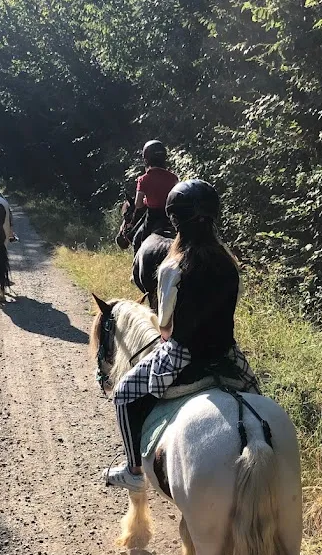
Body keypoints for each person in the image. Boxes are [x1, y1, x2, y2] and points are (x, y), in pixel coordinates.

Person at [107, 180, 260, 491]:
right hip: (226, 353)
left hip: (181, 355)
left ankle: (134, 469)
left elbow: (164, 326)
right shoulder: (230, 263)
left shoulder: (172, 267)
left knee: (123, 394)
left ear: (175, 221)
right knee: (258, 396)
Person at [127, 140, 179, 253]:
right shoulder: (173, 178)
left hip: (153, 217)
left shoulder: (143, 179)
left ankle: (137, 269)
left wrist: (147, 201)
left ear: (146, 159)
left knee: (137, 240)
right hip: (170, 217)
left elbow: (138, 204)